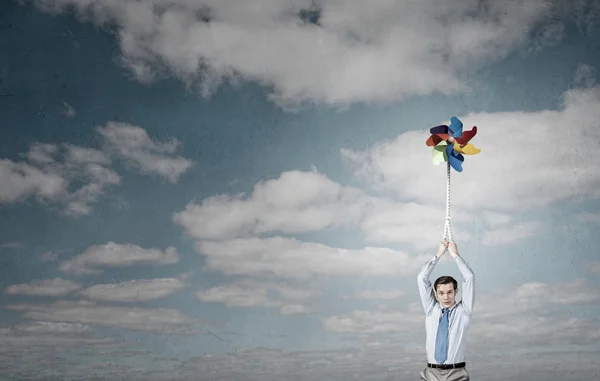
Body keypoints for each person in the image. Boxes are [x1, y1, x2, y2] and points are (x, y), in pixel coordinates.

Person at [417, 239, 475, 381]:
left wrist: (455, 255)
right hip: (431, 374)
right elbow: (422, 278)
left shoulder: (464, 311)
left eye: (449, 292)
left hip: (456, 374)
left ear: (456, 292)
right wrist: (438, 254)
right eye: (441, 293)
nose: (446, 297)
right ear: (436, 294)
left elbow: (469, 277)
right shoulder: (431, 309)